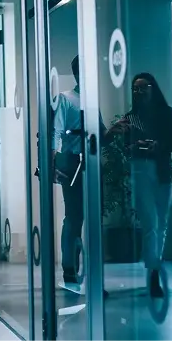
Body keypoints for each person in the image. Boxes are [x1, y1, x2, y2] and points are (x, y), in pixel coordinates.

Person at [53, 55, 114, 296]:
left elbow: (100, 135)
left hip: (91, 161)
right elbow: (56, 132)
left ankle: (92, 275)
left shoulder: (91, 102)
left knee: (93, 217)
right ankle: (70, 270)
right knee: (74, 216)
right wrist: (53, 163)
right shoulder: (66, 100)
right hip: (72, 162)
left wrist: (114, 132)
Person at [116, 72, 172, 298]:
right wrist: (135, 147)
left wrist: (157, 146)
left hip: (161, 170)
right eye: (135, 89)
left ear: (154, 88)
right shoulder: (130, 118)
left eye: (144, 88)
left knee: (161, 224)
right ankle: (153, 273)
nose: (139, 93)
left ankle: (155, 264)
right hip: (141, 171)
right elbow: (124, 147)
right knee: (151, 222)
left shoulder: (166, 113)